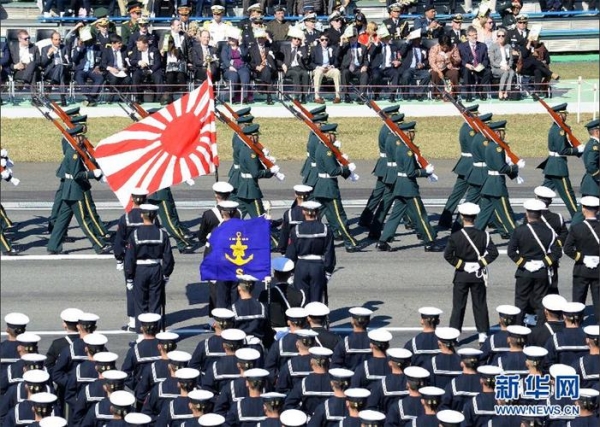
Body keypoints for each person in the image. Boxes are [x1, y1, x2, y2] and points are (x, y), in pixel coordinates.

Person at [377, 121, 443, 253]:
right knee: (420, 215)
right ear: (407, 133)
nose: (414, 134)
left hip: (399, 185)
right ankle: (429, 242)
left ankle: (382, 241)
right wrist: (425, 172)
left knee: (395, 215)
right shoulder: (407, 150)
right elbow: (410, 172)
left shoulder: (401, 147)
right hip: (408, 188)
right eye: (412, 132)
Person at [47, 126, 110, 255]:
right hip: (75, 191)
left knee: (62, 220)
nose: (83, 139)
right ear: (75, 137)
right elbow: (77, 175)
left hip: (69, 190)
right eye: (81, 136)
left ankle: (53, 245)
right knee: (85, 220)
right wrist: (93, 174)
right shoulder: (73, 154)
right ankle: (99, 245)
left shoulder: (75, 150)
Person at [444, 203, 499, 344]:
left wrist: (463, 265)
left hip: (461, 275)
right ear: (475, 217)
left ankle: (454, 334)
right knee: (480, 305)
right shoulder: (484, 235)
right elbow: (493, 253)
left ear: (462, 217)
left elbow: (448, 255)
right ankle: (482, 334)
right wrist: (479, 264)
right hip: (477, 275)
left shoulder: (455, 236)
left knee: (458, 306)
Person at [507, 199, 562, 326]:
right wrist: (543, 263)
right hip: (541, 272)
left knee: (521, 302)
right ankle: (540, 329)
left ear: (527, 213)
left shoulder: (519, 230)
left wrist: (524, 263)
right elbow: (556, 253)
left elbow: (511, 252)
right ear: (540, 214)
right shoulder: (549, 231)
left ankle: (518, 328)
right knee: (540, 302)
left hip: (524, 272)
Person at [124, 204, 175, 333]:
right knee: (155, 302)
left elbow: (129, 258)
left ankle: (142, 333)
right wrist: (166, 273)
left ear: (142, 215)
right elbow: (168, 257)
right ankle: (155, 331)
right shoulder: (162, 234)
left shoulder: (135, 234)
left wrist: (129, 277)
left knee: (140, 303)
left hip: (140, 270)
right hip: (156, 268)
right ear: (155, 216)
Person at [312, 124, 359, 252]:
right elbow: (332, 170)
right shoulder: (327, 151)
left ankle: (307, 240)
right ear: (328, 136)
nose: (335, 137)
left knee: (315, 217)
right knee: (339, 217)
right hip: (329, 189)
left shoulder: (322, 147)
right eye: (333, 135)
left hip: (321, 187)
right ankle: (349, 242)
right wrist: (346, 168)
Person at [474, 120, 522, 237]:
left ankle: (473, 236)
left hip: (489, 184)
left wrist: (513, 174)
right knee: (506, 214)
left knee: (484, 215)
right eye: (502, 132)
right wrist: (515, 167)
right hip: (496, 186)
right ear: (497, 133)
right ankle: (518, 237)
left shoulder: (491, 145)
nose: (504, 134)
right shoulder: (497, 148)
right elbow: (501, 168)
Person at [539, 103, 584, 218]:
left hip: (552, 165)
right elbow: (562, 150)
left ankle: (533, 215)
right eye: (564, 114)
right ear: (558, 115)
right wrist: (577, 150)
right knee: (568, 194)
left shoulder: (557, 128)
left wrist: (578, 151)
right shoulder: (559, 130)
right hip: (558, 167)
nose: (566, 116)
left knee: (543, 193)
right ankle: (577, 218)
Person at [286, 201, 335, 303]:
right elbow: (329, 253)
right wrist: (328, 272)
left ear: (303, 212)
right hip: (318, 267)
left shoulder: (296, 230)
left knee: (301, 298)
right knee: (316, 300)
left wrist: (290, 273)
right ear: (317, 212)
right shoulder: (326, 229)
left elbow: (291, 254)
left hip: (301, 266)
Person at [564, 196, 600, 321]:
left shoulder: (576, 228)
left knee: (578, 301)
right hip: (598, 270)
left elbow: (567, 249)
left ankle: (576, 324)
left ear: (583, 209)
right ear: (598, 210)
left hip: (581, 269)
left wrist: (582, 258)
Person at [259, 257, 305, 328]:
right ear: (289, 274)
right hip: (293, 328)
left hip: (273, 329)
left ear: (275, 274)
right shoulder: (300, 293)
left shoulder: (266, 293)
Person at [148, 186, 196, 254]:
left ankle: (183, 233)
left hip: (151, 191)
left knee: (169, 216)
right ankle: (183, 243)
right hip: (158, 192)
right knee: (169, 220)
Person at [458, 26, 492, 102]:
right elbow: (459, 59)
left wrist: (481, 66)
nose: (475, 37)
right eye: (472, 35)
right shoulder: (461, 46)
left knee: (488, 72)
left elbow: (486, 59)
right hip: (468, 67)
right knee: (466, 71)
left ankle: (479, 89)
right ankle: (469, 94)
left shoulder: (482, 46)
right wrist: (466, 64)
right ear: (467, 36)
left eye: (476, 34)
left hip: (479, 67)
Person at [279, 27, 310, 103]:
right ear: (292, 39)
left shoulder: (302, 48)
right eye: (295, 38)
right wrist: (282, 64)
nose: (297, 40)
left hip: (299, 68)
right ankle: (297, 96)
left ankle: (304, 95)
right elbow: (278, 59)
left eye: (298, 39)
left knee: (305, 74)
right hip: (289, 68)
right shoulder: (284, 48)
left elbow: (305, 59)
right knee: (295, 74)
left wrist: (303, 45)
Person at [398, 29, 431, 101]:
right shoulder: (408, 47)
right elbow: (401, 53)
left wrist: (423, 64)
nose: (417, 40)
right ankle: (405, 95)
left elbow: (427, 60)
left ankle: (419, 93)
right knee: (406, 76)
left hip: (419, 69)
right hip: (409, 68)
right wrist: (407, 40)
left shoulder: (424, 48)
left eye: (419, 39)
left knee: (428, 75)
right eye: (416, 39)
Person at [221, 26, 251, 104]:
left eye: (233, 38)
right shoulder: (225, 47)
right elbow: (224, 58)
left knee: (245, 75)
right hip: (230, 68)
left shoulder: (242, 46)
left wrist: (240, 44)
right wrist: (230, 66)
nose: (231, 39)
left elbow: (245, 55)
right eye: (230, 38)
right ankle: (233, 97)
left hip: (242, 66)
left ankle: (245, 97)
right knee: (233, 76)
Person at [339, 26, 369, 104]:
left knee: (365, 74)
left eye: (354, 36)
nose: (352, 38)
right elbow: (337, 55)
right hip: (348, 68)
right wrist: (341, 42)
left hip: (358, 69)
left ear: (357, 36)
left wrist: (365, 66)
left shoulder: (363, 47)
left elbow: (366, 60)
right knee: (344, 72)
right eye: (350, 37)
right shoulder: (345, 46)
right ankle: (346, 95)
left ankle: (361, 96)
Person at [39, 31, 70, 107]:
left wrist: (67, 63)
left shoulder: (65, 48)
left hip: (64, 70)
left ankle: (50, 85)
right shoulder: (45, 48)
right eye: (56, 40)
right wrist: (49, 54)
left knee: (61, 67)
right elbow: (43, 64)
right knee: (61, 73)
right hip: (51, 71)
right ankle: (63, 98)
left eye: (59, 39)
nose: (58, 41)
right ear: (51, 40)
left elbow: (70, 62)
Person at [310, 34, 342, 104]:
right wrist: (319, 67)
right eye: (322, 40)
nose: (324, 41)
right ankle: (317, 97)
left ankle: (338, 96)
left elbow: (337, 61)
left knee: (337, 72)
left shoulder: (332, 48)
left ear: (328, 40)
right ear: (319, 40)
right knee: (318, 73)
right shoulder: (314, 49)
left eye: (326, 40)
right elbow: (310, 63)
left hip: (329, 69)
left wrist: (332, 66)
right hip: (319, 68)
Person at [428, 34, 461, 100]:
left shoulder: (453, 47)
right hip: (437, 68)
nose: (445, 49)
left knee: (454, 73)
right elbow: (431, 62)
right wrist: (439, 72)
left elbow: (458, 60)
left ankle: (453, 93)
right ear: (440, 44)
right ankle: (436, 94)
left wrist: (452, 59)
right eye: (443, 47)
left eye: (446, 47)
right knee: (434, 73)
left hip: (449, 67)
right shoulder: (434, 48)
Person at [249, 28, 277, 105]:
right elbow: (250, 63)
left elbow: (276, 49)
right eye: (258, 38)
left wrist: (269, 39)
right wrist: (256, 67)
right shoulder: (252, 49)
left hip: (270, 69)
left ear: (265, 39)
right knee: (267, 73)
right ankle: (269, 96)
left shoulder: (269, 47)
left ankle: (261, 87)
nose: (260, 40)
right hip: (258, 71)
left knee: (267, 70)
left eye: (262, 38)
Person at [488, 27, 516, 100]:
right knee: (505, 72)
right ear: (497, 37)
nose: (501, 37)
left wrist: (509, 66)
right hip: (496, 68)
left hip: (506, 67)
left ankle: (507, 91)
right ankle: (501, 91)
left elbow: (511, 59)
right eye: (499, 36)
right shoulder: (493, 47)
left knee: (512, 72)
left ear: (505, 37)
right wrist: (501, 66)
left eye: (503, 36)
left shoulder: (508, 46)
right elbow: (492, 61)